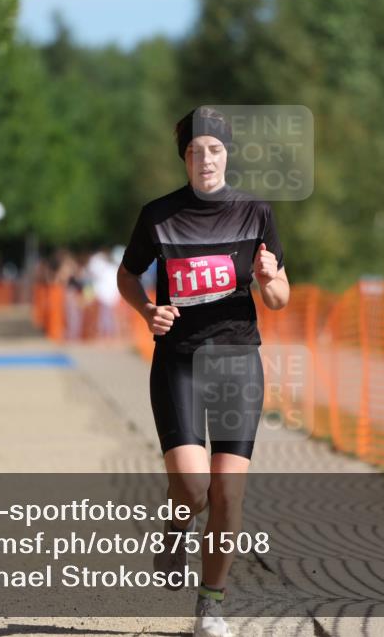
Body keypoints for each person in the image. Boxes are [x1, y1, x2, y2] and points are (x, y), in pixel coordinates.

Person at [117, 107, 289, 637]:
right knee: (191, 487)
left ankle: (210, 606)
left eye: (214, 149)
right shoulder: (158, 216)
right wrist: (149, 311)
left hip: (238, 362)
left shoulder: (255, 212)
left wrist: (266, 279)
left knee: (227, 492)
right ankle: (174, 528)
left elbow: (280, 298)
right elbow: (127, 277)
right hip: (179, 362)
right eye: (195, 151)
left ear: (227, 154)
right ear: (184, 158)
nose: (205, 159)